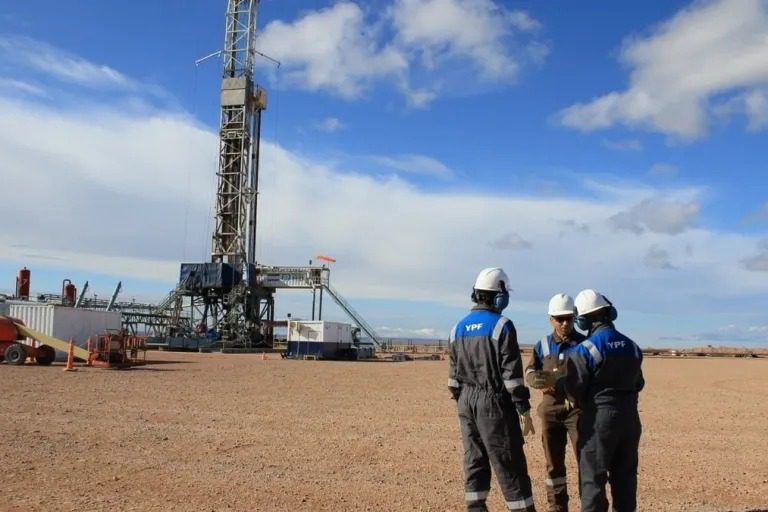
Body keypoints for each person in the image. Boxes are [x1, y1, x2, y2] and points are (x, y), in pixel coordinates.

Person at [448, 267, 537, 512]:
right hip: (494, 403)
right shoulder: (502, 326)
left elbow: (452, 381)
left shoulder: (457, 328)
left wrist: (467, 402)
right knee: (509, 463)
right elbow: (512, 378)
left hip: (466, 401)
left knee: (474, 461)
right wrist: (523, 408)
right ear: (498, 295)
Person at [554, 289, 645, 512]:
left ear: (583, 320)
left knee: (593, 480)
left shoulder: (585, 350)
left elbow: (574, 390)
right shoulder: (632, 346)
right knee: (625, 479)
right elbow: (639, 383)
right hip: (630, 420)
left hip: (599, 421)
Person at [525, 293, 586, 512]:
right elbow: (530, 371)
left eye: (568, 318)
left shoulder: (585, 344)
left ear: (575, 317)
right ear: (551, 319)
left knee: (585, 463)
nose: (564, 323)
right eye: (559, 319)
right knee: (554, 466)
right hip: (550, 413)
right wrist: (537, 380)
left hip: (577, 413)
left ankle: (589, 506)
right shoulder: (542, 345)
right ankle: (557, 508)